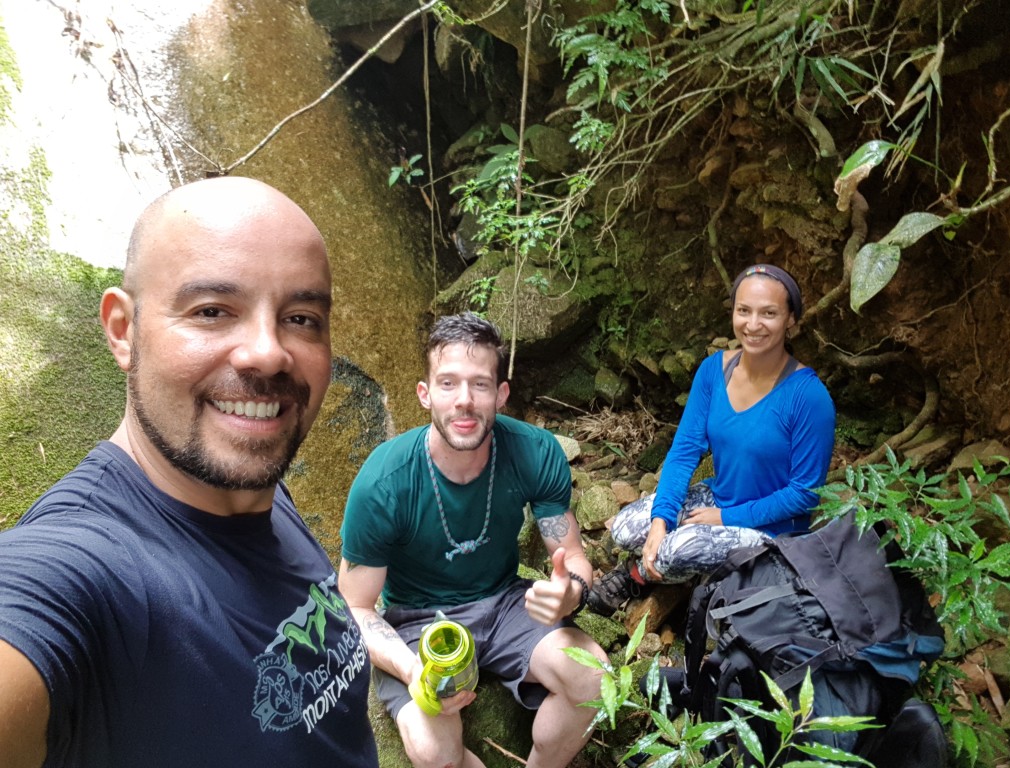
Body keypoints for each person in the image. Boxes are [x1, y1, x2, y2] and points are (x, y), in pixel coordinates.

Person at [0, 177, 379, 768]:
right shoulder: (81, 573)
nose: (269, 353)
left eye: (302, 318)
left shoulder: (256, 487)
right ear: (123, 330)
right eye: (211, 311)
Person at [338, 312, 607, 768]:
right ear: (425, 394)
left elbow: (575, 557)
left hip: (505, 604)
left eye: (480, 384)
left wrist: (571, 593)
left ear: (501, 394)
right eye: (448, 384)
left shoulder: (535, 452)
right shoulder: (383, 482)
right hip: (416, 622)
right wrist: (411, 669)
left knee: (593, 678)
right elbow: (356, 608)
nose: (464, 400)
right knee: (433, 753)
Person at [588, 264, 836, 615]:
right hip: (719, 496)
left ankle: (636, 576)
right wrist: (661, 521)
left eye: (768, 313)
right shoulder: (713, 371)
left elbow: (804, 494)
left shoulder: (808, 396)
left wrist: (725, 517)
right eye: (744, 310)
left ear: (791, 319)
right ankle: (669, 561)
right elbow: (684, 451)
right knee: (627, 529)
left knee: (676, 550)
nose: (753, 324)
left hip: (775, 529)